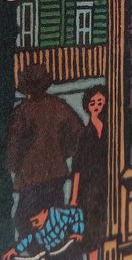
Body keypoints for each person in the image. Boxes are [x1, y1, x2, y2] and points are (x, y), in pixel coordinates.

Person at [8, 63, 84, 237]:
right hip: (56, 173)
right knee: (55, 216)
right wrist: (62, 153)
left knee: (24, 220)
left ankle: (36, 250)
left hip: (31, 176)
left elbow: (13, 148)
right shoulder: (59, 106)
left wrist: (16, 166)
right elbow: (79, 133)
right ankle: (54, 249)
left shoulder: (22, 111)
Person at [70, 84, 107, 260]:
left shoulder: (111, 129)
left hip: (107, 188)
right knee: (91, 238)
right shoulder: (85, 135)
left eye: (100, 102)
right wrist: (74, 199)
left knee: (106, 233)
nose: (96, 106)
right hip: (89, 193)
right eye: (93, 103)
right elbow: (77, 170)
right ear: (87, 106)